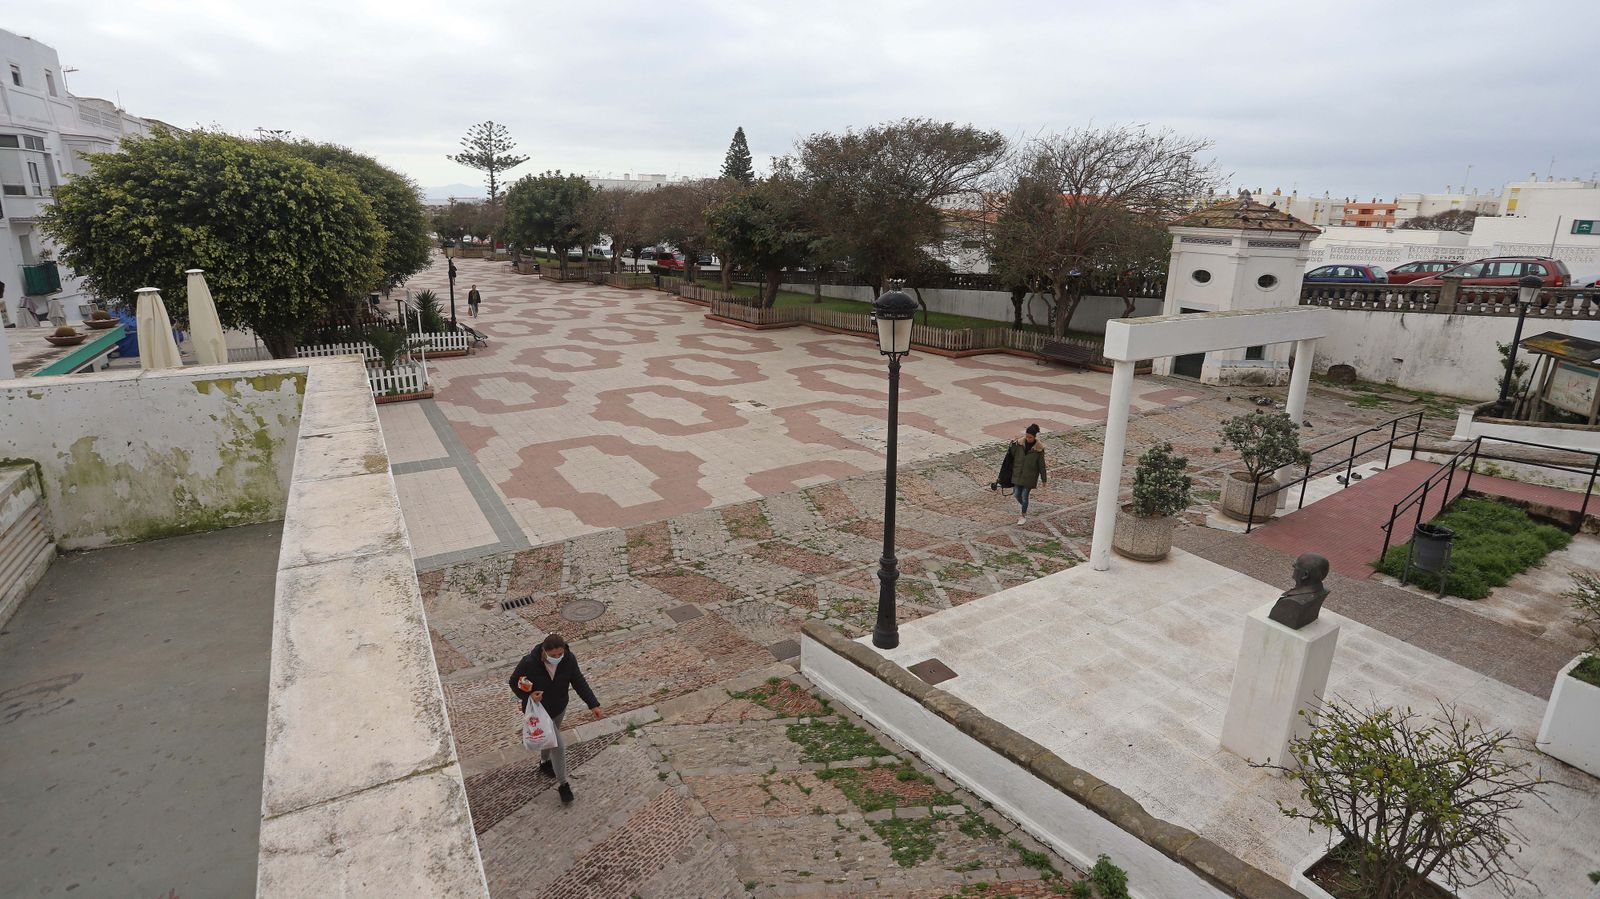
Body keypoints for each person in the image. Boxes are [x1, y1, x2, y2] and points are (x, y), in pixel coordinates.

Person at [509, 633, 604, 803]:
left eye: (560, 654)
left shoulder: (568, 659)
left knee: (549, 738)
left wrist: (593, 704)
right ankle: (563, 784)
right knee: (557, 745)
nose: (558, 657)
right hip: (539, 712)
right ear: (544, 651)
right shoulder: (529, 662)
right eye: (553, 655)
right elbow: (513, 681)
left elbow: (578, 681)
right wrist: (529, 695)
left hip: (559, 707)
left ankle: (544, 762)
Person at [1005, 423, 1048, 525]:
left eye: (1030, 437)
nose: (1028, 439)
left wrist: (1044, 479)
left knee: (1024, 496)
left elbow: (1042, 465)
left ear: (1034, 437)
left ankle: (1023, 515)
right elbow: (1011, 454)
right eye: (1027, 436)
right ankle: (1025, 505)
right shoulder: (1019, 444)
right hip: (1018, 474)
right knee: (1016, 494)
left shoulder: (1039, 449)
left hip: (1030, 477)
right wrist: (1012, 444)